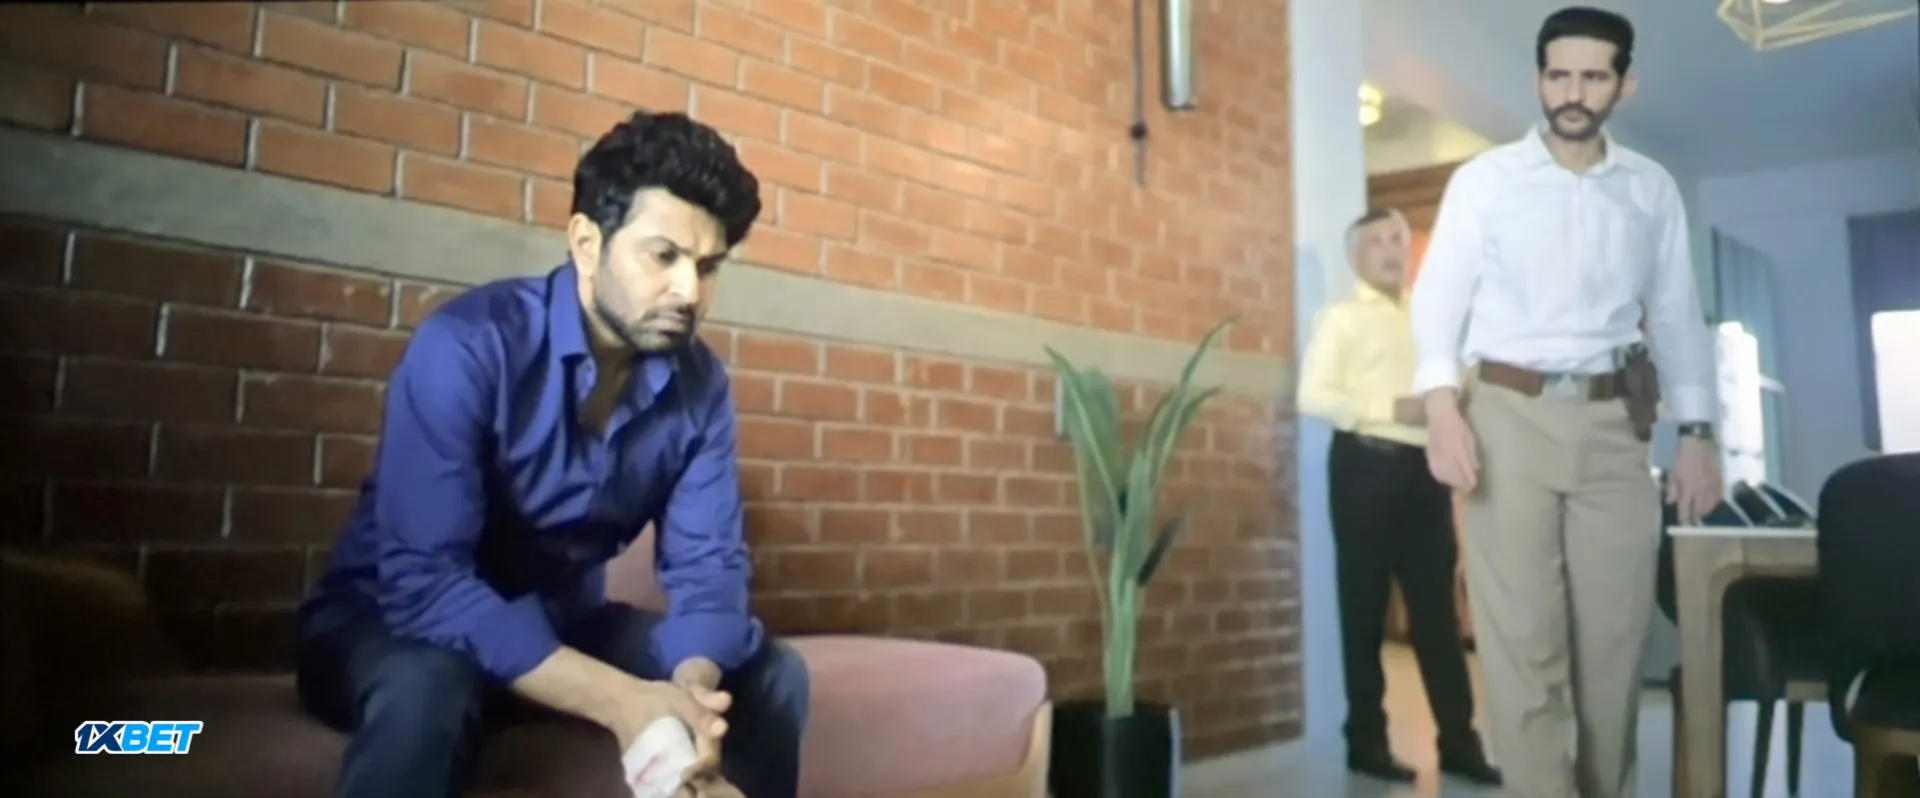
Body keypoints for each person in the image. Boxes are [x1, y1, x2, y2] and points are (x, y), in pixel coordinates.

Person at [294, 110, 809, 798]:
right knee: (428, 682)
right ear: (587, 243)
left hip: (561, 625)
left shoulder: (702, 385)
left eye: (708, 266)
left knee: (769, 674)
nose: (689, 291)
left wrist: (692, 692)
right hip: (387, 623)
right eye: (663, 256)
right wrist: (620, 701)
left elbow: (708, 566)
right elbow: (425, 584)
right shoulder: (468, 346)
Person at [1409, 7, 1724, 798]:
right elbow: (1439, 300)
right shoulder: (1485, 182)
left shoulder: (1650, 189)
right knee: (1525, 646)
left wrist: (1698, 432)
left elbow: (1678, 315)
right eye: (1558, 76)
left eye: (1592, 76)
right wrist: (1442, 409)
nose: (1573, 93)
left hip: (1616, 427)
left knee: (1614, 647)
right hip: (1505, 418)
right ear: (1538, 80)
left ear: (1624, 84)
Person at [1297, 208, 1502, 786]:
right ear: (1355, 257)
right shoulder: (1339, 318)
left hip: (1424, 473)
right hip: (1365, 465)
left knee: (1438, 615)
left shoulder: (1431, 319)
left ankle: (1459, 745)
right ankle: (1366, 744)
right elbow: (1311, 394)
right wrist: (1390, 408)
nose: (1391, 250)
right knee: (1363, 612)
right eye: (1376, 242)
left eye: (1397, 239)